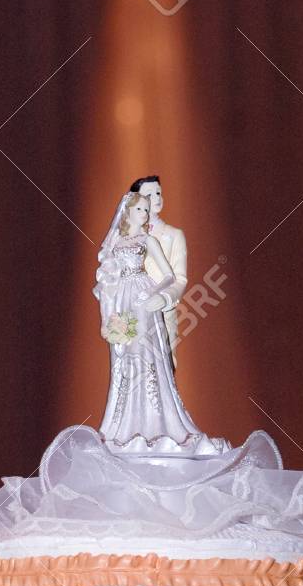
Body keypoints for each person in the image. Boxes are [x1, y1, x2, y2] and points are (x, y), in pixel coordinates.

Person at [93, 191, 222, 457]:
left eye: (147, 209)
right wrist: (108, 314)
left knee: (147, 357)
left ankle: (155, 423)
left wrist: (152, 294)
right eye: (141, 209)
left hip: (142, 298)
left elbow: (168, 275)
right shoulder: (115, 242)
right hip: (122, 301)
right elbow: (106, 279)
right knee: (124, 359)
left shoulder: (148, 240)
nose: (146, 214)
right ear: (127, 212)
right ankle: (121, 424)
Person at [129, 174, 186, 366]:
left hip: (162, 313)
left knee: (163, 371)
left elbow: (180, 279)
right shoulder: (125, 238)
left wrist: (165, 298)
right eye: (150, 194)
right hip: (134, 314)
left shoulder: (174, 235)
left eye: (159, 193)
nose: (157, 198)